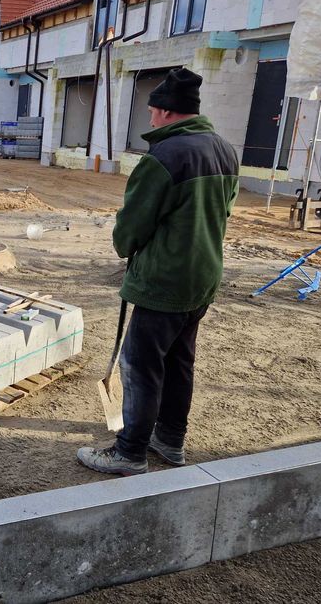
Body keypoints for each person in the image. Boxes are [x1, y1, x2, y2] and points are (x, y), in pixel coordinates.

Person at [77, 68, 239, 476]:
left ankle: (129, 452)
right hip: (202, 276)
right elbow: (225, 209)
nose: (149, 117)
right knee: (180, 361)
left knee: (141, 366)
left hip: (164, 281)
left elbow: (132, 227)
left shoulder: (164, 156)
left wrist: (124, 245)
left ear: (167, 112)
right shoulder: (223, 149)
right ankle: (170, 440)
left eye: (152, 110)